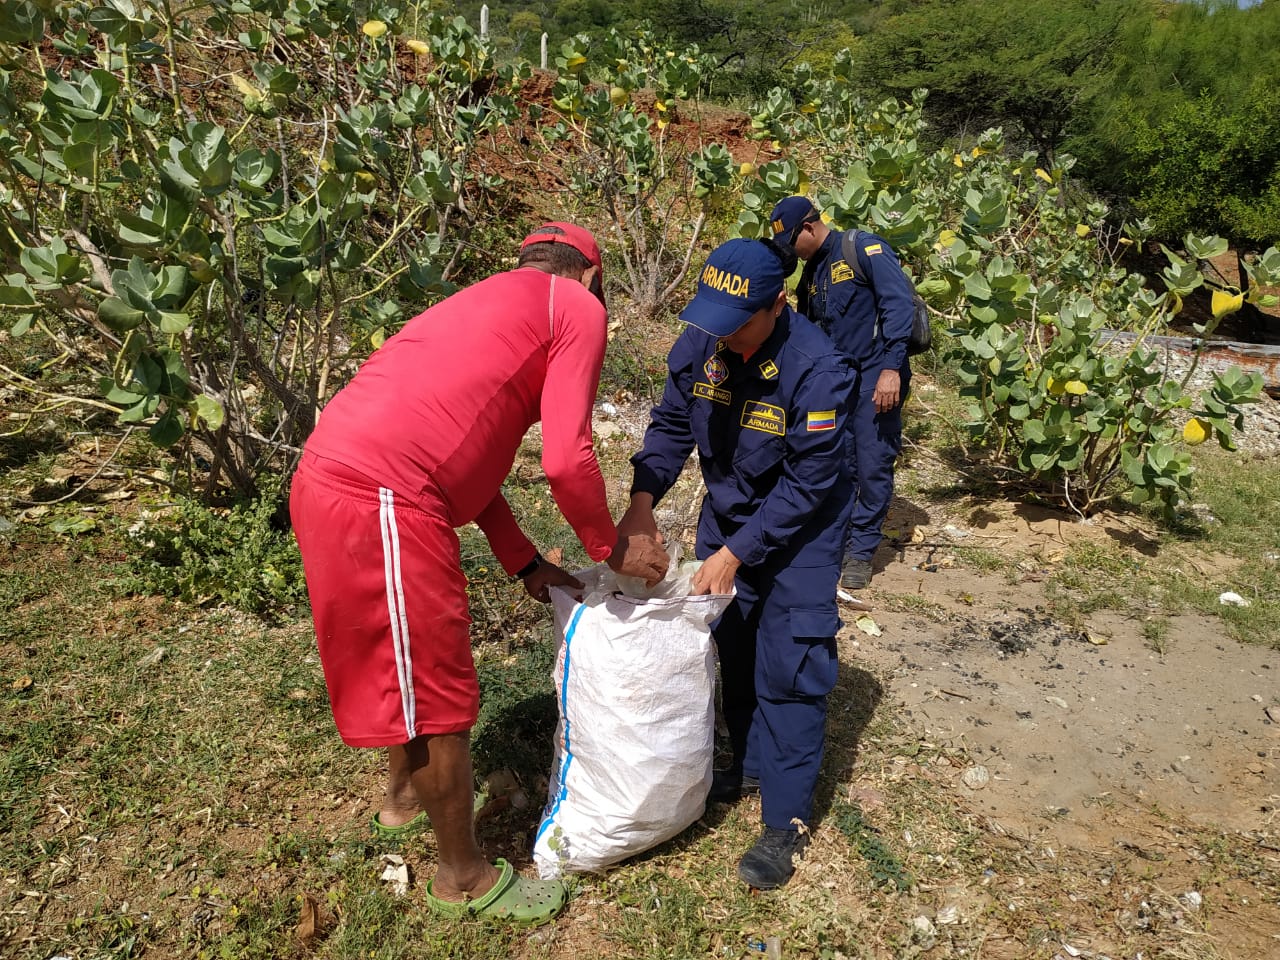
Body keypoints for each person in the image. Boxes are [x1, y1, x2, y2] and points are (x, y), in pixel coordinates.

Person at [289, 223, 669, 924]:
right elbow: (566, 459)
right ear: (592, 276)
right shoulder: (574, 306)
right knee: (438, 691)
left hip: (335, 479)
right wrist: (613, 546)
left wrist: (524, 561)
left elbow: (470, 457)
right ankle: (462, 877)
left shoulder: (484, 303)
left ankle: (402, 800)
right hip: (385, 496)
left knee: (402, 665)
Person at [617, 237, 856, 889]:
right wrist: (641, 507)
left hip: (801, 530)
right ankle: (748, 762)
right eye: (713, 320)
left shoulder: (817, 367)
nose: (720, 337)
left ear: (776, 305)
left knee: (791, 665)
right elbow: (669, 428)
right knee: (735, 642)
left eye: (736, 323)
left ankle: (785, 823)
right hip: (730, 511)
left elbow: (809, 485)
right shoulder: (703, 341)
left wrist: (736, 554)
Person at [769, 196, 915, 590]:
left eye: (791, 245)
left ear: (810, 227)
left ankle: (862, 551)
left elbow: (898, 307)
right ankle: (835, 540)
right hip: (836, 381)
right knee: (836, 463)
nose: (792, 255)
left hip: (875, 376)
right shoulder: (811, 274)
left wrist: (890, 369)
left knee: (872, 464)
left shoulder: (863, 249)